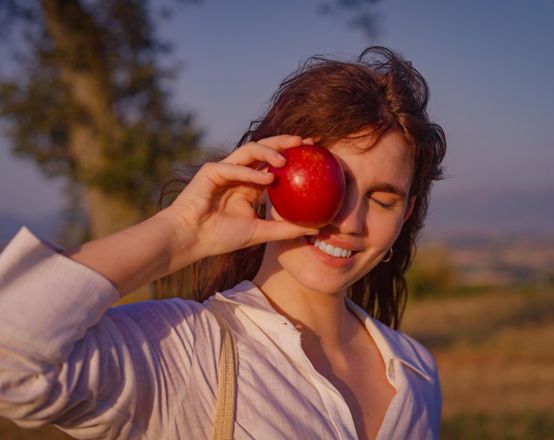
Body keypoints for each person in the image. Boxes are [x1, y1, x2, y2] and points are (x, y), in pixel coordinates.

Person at [0, 46, 446, 440]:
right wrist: (180, 235)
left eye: (383, 200)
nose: (348, 221)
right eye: (333, 184)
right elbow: (10, 360)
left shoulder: (415, 372)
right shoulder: (184, 353)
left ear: (404, 217)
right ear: (266, 177)